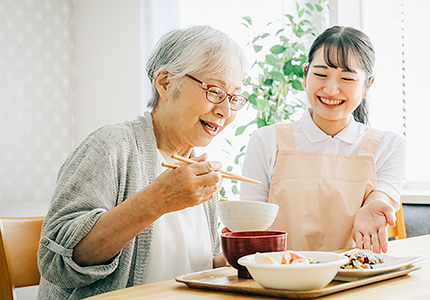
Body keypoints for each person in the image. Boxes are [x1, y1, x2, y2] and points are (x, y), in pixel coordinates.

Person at [37, 25, 248, 299]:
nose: (225, 110)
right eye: (215, 92)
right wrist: (156, 201)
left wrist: (236, 254)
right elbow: (57, 263)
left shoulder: (198, 169)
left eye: (234, 98)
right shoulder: (110, 146)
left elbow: (193, 268)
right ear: (166, 83)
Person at [240, 26, 406, 254]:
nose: (331, 89)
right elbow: (251, 226)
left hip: (355, 280)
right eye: (320, 74)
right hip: (279, 279)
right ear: (304, 75)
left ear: (367, 86)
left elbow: (381, 197)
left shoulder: (389, 145)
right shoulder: (266, 141)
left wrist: (375, 206)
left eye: (347, 78)